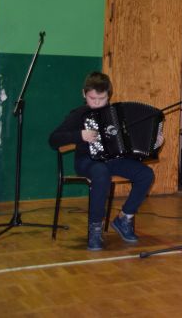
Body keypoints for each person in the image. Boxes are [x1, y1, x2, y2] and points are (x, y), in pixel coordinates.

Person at [49, 72, 158, 251]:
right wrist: (80, 135)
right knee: (101, 173)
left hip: (113, 161)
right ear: (84, 94)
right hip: (87, 161)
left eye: (102, 99)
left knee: (145, 174)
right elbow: (53, 139)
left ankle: (124, 218)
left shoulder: (117, 114)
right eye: (92, 98)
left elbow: (131, 148)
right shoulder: (79, 114)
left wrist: (154, 143)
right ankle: (95, 228)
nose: (97, 103)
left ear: (109, 96)